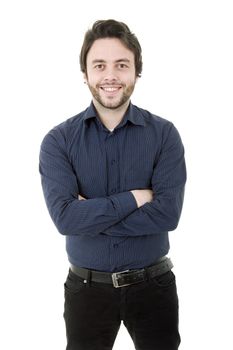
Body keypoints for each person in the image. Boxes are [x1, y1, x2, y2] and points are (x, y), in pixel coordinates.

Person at [39, 19, 186, 350]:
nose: (110, 76)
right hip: (86, 291)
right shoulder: (58, 141)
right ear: (85, 74)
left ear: (136, 72)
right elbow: (65, 219)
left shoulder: (164, 135)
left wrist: (88, 214)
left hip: (155, 289)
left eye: (122, 65)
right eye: (99, 65)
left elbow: (167, 216)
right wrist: (135, 198)